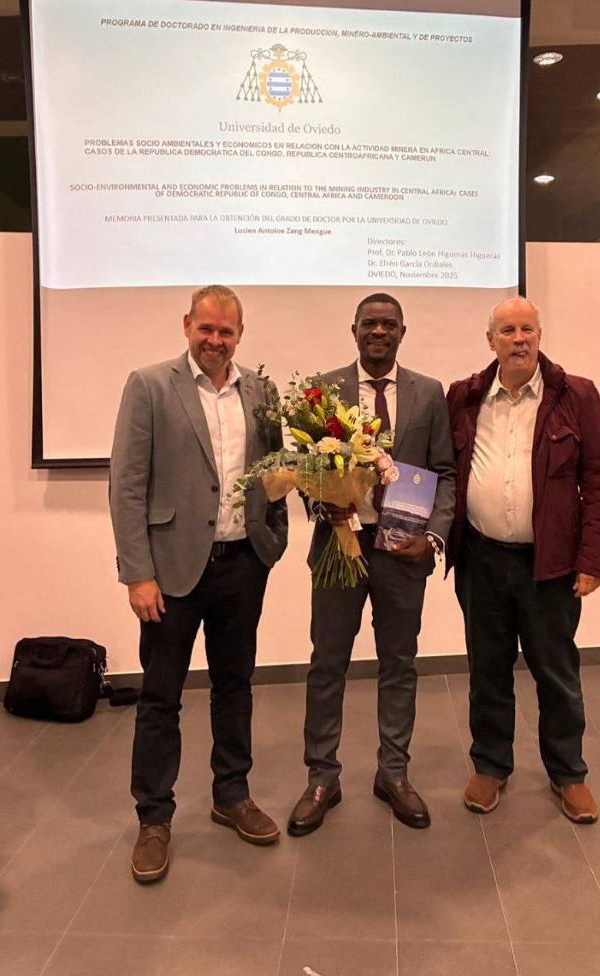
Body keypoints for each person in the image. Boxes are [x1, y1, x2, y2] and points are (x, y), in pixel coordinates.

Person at [109, 284, 288, 883]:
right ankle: (154, 818)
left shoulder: (261, 392)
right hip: (170, 571)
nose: (215, 340)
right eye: (206, 329)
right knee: (161, 696)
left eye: (225, 331)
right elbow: (126, 485)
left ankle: (231, 794)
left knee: (235, 684)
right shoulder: (149, 386)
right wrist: (137, 572)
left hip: (242, 565)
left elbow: (276, 474)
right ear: (187, 324)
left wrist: (273, 541)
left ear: (241, 334)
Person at [287, 294, 456, 836]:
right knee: (327, 663)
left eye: (388, 324)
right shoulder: (323, 390)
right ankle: (322, 777)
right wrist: (322, 501)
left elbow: (445, 473)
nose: (378, 331)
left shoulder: (428, 392)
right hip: (339, 546)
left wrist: (433, 537)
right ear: (354, 330)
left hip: (402, 553)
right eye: (369, 323)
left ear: (403, 331)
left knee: (399, 664)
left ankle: (394, 773)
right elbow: (304, 470)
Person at [447, 296, 600, 825]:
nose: (519, 339)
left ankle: (568, 773)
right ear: (490, 340)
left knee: (557, 672)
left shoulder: (576, 395)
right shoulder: (465, 397)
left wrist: (593, 559)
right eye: (507, 331)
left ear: (540, 335)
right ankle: (490, 765)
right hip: (481, 560)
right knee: (487, 670)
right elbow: (446, 472)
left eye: (527, 329)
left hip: (551, 566)